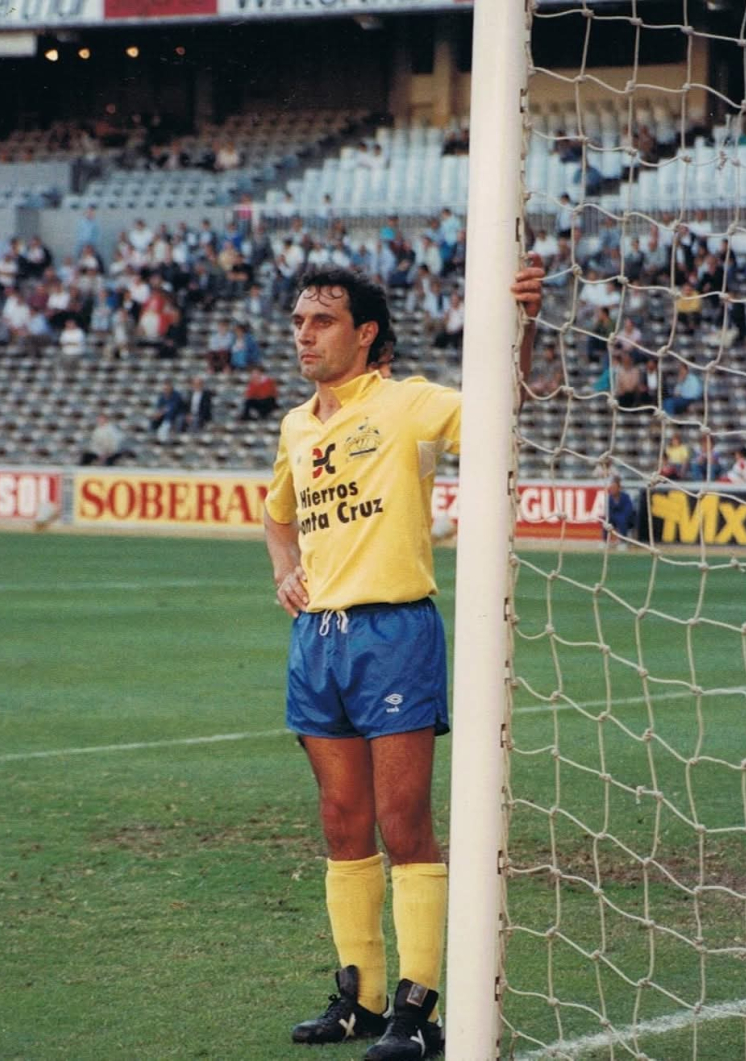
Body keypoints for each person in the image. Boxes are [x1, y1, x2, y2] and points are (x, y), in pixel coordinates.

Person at [263, 262, 543, 1059]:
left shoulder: (408, 401)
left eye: (322, 320)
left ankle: (417, 1012)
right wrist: (284, 566)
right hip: (317, 640)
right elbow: (276, 513)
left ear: (366, 333)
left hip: (394, 634)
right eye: (298, 321)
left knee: (403, 822)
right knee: (342, 822)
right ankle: (360, 998)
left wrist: (526, 328)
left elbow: (503, 417)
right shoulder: (295, 425)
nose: (305, 335)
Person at [605, 475, 635, 543]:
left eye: (614, 488)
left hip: (625, 517)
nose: (612, 490)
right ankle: (605, 541)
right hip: (613, 517)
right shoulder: (609, 498)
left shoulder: (625, 497)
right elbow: (608, 511)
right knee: (606, 521)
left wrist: (620, 517)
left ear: (619, 488)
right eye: (612, 488)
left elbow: (628, 510)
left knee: (622, 520)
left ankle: (623, 541)